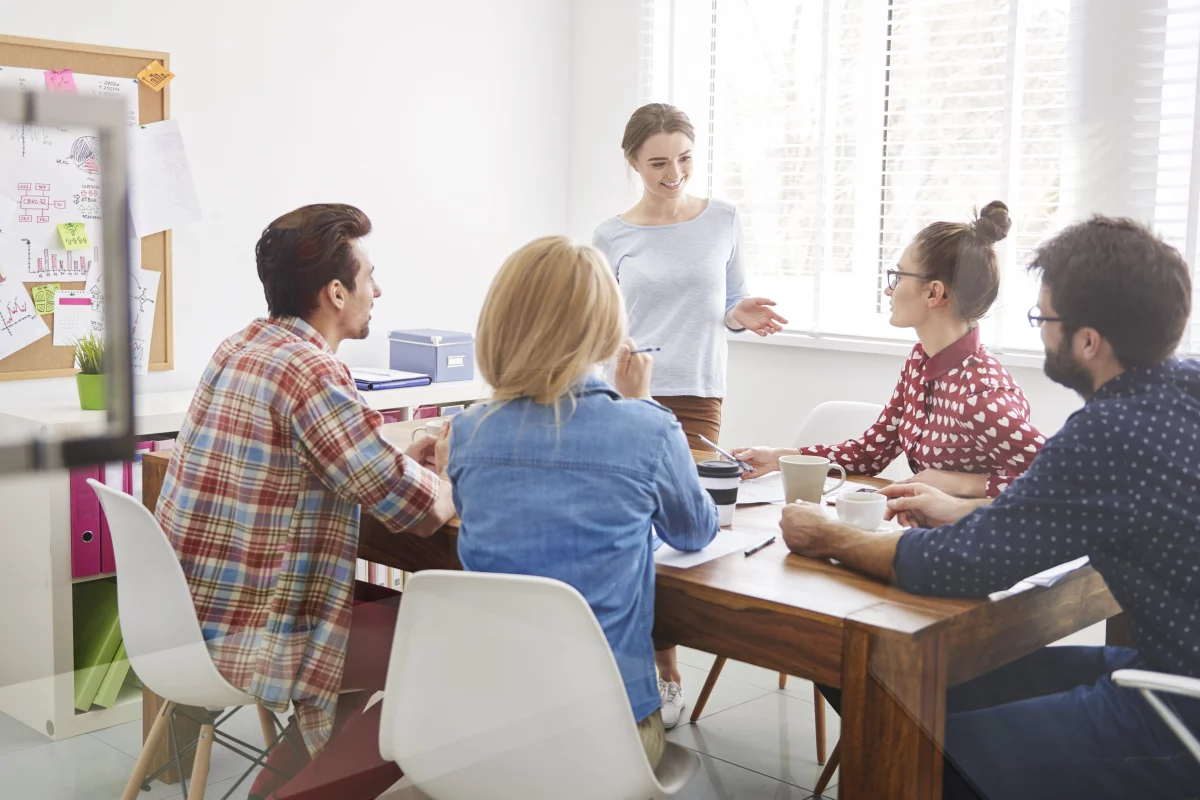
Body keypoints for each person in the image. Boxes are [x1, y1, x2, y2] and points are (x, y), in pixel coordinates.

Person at [779, 216, 1200, 799]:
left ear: (1087, 341)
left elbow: (957, 566)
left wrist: (828, 536)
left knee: (905, 741)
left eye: (1044, 319)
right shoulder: (1185, 390)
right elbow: (1049, 514)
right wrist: (967, 509)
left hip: (1178, 706)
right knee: (905, 687)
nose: (1039, 331)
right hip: (1168, 663)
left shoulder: (1106, 434)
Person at [155, 204, 456, 800]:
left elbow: (346, 465)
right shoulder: (313, 372)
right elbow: (417, 513)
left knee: (400, 625)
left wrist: (400, 465)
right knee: (449, 646)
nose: (379, 289)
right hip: (253, 631)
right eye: (370, 275)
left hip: (184, 618)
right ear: (337, 292)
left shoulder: (240, 345)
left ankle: (278, 789)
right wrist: (455, 476)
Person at [446, 236, 720, 765]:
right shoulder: (649, 429)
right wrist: (641, 405)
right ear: (605, 330)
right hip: (606, 731)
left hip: (483, 723)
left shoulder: (468, 432)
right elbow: (694, 532)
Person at [592, 102, 786, 716]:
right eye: (657, 162)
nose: (673, 172)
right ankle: (660, 671)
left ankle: (663, 662)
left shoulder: (723, 219)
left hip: (698, 393)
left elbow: (727, 301)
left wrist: (740, 314)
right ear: (632, 162)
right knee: (634, 532)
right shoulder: (611, 235)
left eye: (683, 158)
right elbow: (601, 322)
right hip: (627, 390)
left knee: (684, 530)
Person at [735, 201, 1045, 499]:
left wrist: (965, 483)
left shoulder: (982, 394)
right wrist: (780, 457)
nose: (888, 289)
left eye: (897, 277)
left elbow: (1063, 480)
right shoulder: (920, 362)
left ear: (934, 293)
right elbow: (871, 451)